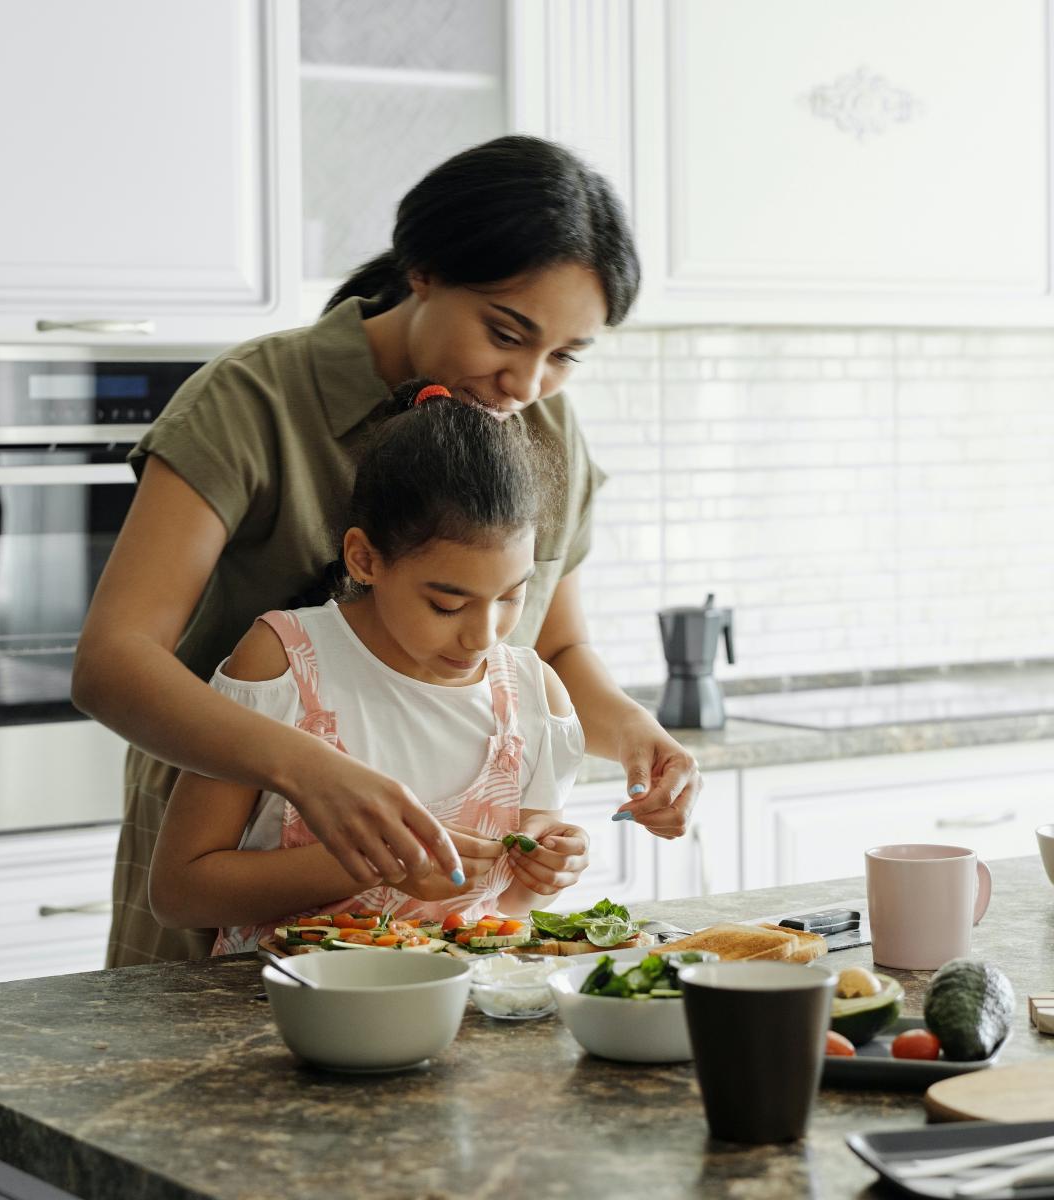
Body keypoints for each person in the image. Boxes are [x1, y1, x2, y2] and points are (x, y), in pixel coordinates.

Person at [72, 134, 702, 968]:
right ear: (425, 272)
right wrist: (310, 772)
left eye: (564, 357)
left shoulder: (542, 426)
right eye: (506, 333)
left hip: (433, 929)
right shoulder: (252, 400)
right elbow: (113, 662)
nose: (528, 382)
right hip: (231, 851)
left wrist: (633, 735)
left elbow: (552, 646)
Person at [148, 381, 590, 948]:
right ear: (364, 559)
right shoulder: (284, 663)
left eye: (511, 596)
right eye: (447, 604)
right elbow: (179, 893)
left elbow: (509, 908)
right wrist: (378, 862)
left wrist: (545, 873)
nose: (484, 635)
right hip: (278, 1014)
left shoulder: (533, 696)